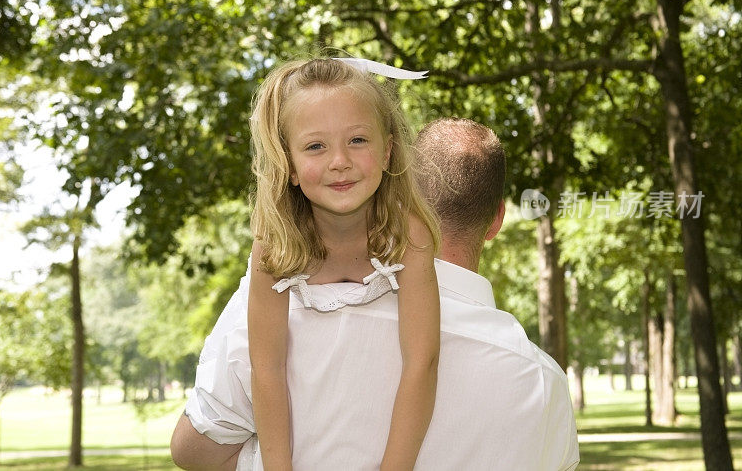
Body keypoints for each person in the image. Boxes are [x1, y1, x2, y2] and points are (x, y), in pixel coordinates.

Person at [171, 118, 580, 470]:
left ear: (400, 198)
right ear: (496, 220)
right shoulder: (544, 383)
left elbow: (192, 451)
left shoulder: (286, 309)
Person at [231, 58, 441, 470]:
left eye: (358, 140)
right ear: (288, 166)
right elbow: (267, 369)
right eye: (315, 146)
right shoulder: (274, 247)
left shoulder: (407, 236)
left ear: (388, 151)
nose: (339, 161)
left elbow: (422, 362)